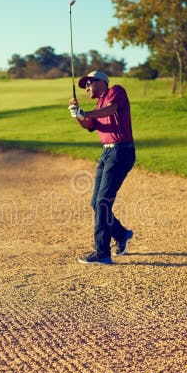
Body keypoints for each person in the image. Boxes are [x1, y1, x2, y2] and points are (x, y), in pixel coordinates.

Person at [68, 70, 135, 265]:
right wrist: (77, 114)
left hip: (121, 151)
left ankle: (102, 252)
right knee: (96, 203)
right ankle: (122, 234)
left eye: (89, 83)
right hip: (107, 154)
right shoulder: (98, 105)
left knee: (103, 201)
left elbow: (111, 110)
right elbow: (89, 125)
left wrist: (85, 112)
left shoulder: (116, 91)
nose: (87, 87)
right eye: (85, 86)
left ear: (102, 82)